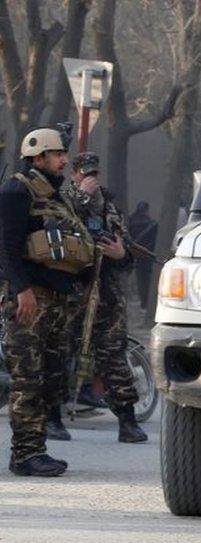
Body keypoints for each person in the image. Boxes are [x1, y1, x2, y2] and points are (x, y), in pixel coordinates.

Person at [0, 128, 95, 476]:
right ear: (37, 157)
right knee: (28, 380)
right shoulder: (16, 191)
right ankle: (25, 455)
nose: (64, 160)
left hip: (58, 303)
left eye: (63, 154)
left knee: (52, 380)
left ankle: (37, 448)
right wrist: (21, 290)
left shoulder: (58, 197)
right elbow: (6, 248)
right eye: (57, 154)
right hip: (29, 303)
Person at [60, 152, 148, 443]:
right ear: (73, 174)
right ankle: (51, 418)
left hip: (106, 293)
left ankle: (128, 420)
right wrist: (80, 198)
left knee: (113, 356)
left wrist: (120, 254)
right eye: (84, 174)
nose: (90, 180)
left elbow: (128, 255)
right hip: (70, 291)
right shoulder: (62, 201)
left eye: (93, 174)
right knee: (58, 352)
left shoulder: (109, 207)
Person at [127, 201, 158, 310]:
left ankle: (144, 302)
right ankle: (146, 302)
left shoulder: (131, 221)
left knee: (141, 280)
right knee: (147, 280)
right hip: (147, 254)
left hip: (136, 254)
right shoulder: (151, 224)